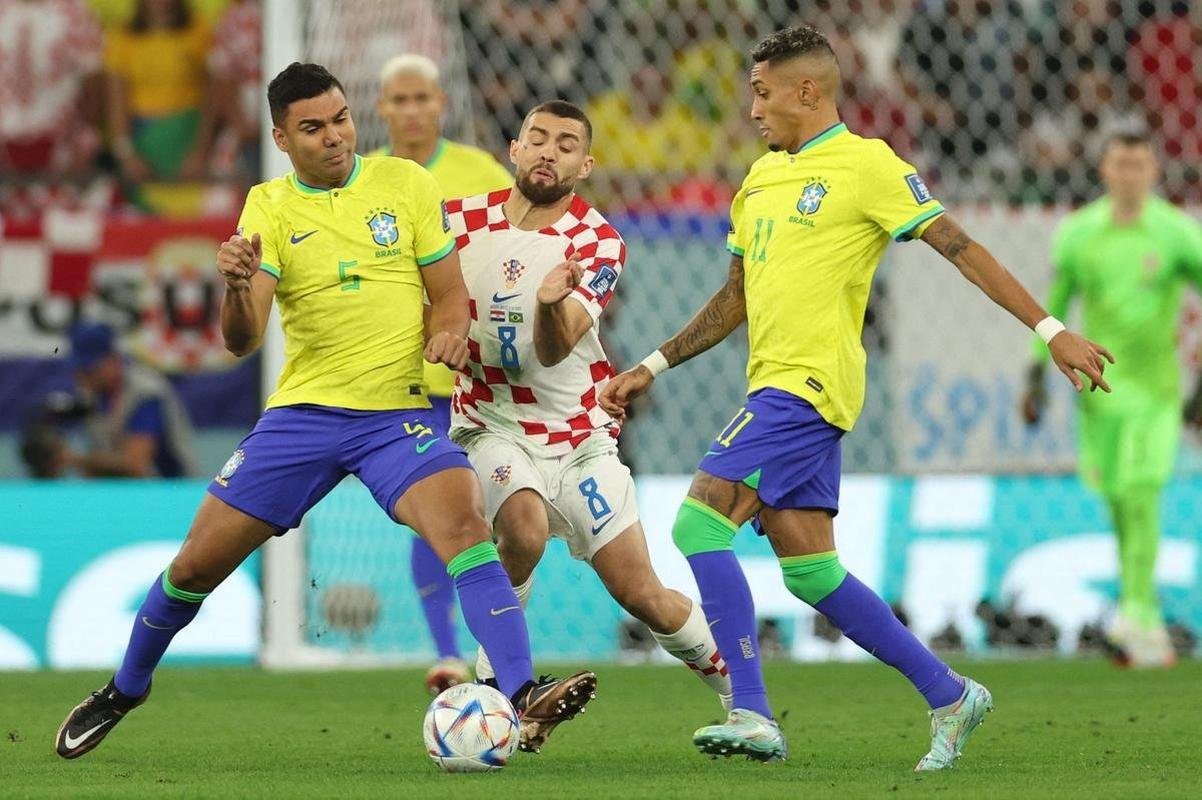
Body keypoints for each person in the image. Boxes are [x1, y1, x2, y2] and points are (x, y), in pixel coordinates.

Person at [600, 26, 1112, 770]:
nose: (752, 110)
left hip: (808, 386)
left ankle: (750, 712)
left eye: (763, 92)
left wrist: (1051, 328)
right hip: (771, 383)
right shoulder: (758, 182)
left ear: (809, 90)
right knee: (811, 572)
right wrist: (653, 362)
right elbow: (732, 299)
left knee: (699, 526)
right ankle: (950, 693)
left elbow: (960, 247)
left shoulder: (867, 166)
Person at [54, 62, 595, 761]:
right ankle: (125, 688)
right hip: (302, 417)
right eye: (313, 128)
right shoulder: (268, 206)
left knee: (464, 526)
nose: (335, 137)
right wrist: (237, 288)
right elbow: (242, 340)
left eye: (340, 118)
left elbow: (449, 294)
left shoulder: (405, 184)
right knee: (192, 569)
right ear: (282, 137)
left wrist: (450, 331)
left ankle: (520, 694)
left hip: (396, 417)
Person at [447, 100, 732, 712]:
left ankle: (745, 697)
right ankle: (503, 690)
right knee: (520, 527)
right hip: (491, 423)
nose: (550, 151)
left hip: (579, 434)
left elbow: (551, 352)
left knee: (642, 592)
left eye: (567, 144)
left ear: (586, 164)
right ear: (514, 150)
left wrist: (550, 303)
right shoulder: (456, 221)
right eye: (539, 138)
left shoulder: (597, 241)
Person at [1022, 130, 1202, 668]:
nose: (1129, 174)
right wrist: (1033, 374)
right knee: (1120, 497)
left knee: (1143, 489)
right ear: (1104, 170)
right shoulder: (1079, 235)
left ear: (1154, 171)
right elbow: (1053, 308)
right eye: (1119, 164)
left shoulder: (1175, 233)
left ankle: (1140, 614)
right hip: (1099, 393)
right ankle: (1135, 611)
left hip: (1156, 391)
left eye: (1139, 164)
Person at [372, 52, 513, 694]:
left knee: (498, 514)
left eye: (420, 98)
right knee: (433, 508)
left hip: (481, 375)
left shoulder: (479, 172)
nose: (410, 110)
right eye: (398, 100)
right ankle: (448, 650)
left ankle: (497, 648)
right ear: (382, 110)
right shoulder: (364, 179)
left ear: (441, 105)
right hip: (409, 378)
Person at [61, 321, 198, 478]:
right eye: (79, 369)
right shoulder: (91, 394)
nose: (82, 377)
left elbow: (136, 465)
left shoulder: (145, 392)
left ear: (113, 360)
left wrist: (72, 459)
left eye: (89, 369)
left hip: (171, 491)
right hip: (124, 493)